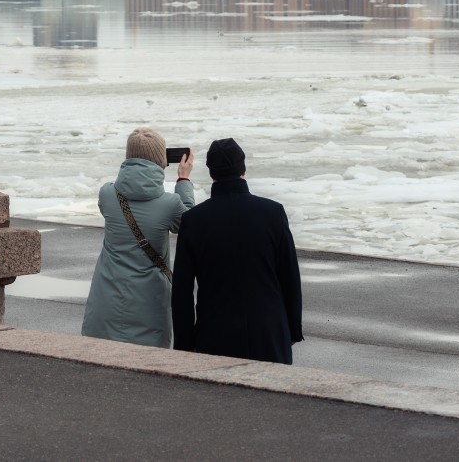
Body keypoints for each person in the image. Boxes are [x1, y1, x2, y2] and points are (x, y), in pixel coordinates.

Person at [172, 137, 303, 364]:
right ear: (243, 169)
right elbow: (290, 277)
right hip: (269, 331)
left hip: (214, 333)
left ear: (212, 173)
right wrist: (292, 330)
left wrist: (185, 342)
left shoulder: (194, 220)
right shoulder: (273, 212)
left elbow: (182, 290)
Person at [80, 127, 195, 348]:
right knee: (145, 374)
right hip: (148, 305)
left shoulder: (107, 193)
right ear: (160, 160)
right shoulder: (170, 205)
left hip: (106, 300)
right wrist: (183, 180)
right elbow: (190, 224)